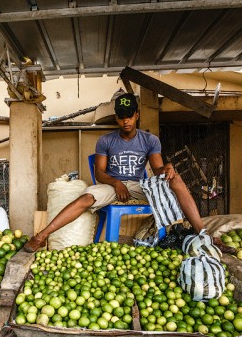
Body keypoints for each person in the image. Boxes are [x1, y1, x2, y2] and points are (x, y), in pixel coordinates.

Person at [23, 92, 204, 253]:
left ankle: (203, 234)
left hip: (138, 185)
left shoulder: (150, 140)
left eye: (130, 116)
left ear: (137, 115)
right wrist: (116, 183)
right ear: (117, 118)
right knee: (85, 198)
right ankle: (41, 236)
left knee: (176, 180)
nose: (126, 121)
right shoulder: (106, 141)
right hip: (110, 184)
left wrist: (166, 168)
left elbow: (157, 170)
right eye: (122, 117)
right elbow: (100, 173)